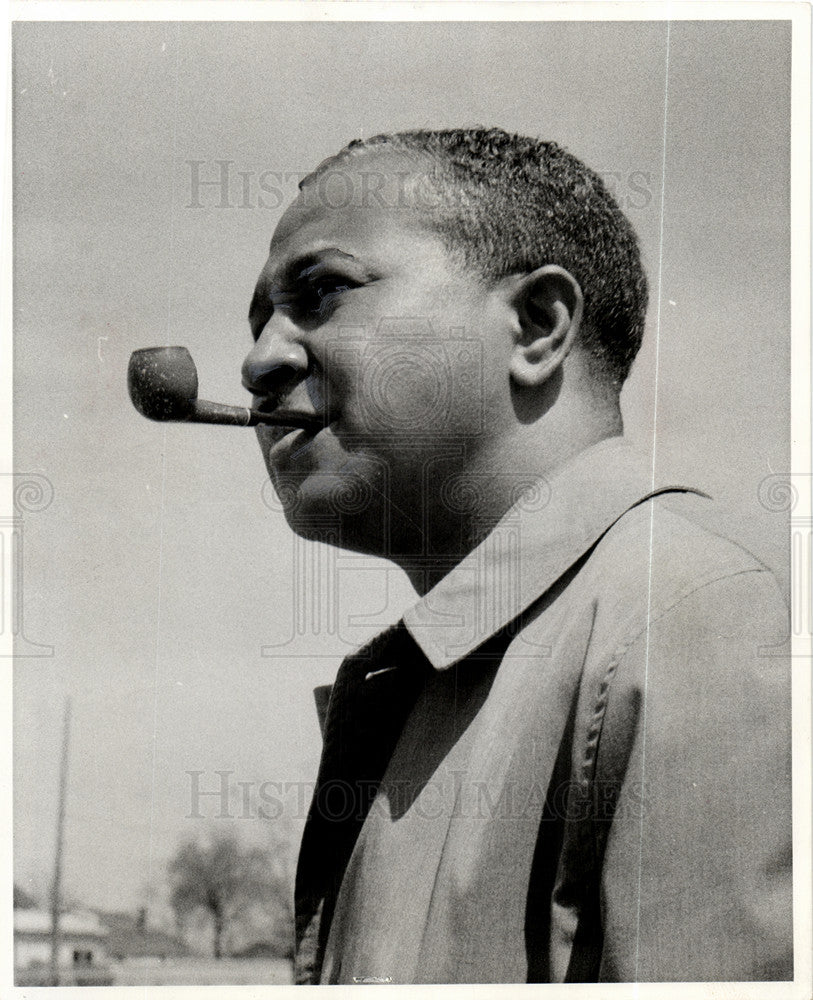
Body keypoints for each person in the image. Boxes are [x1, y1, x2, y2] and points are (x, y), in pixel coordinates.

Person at [241, 128, 792, 984]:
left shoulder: (691, 618)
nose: (259, 359)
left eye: (323, 291)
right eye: (260, 319)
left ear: (536, 326)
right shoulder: (443, 679)